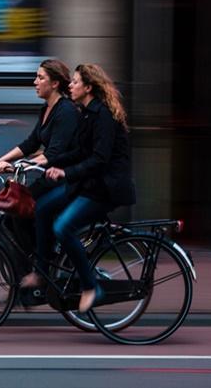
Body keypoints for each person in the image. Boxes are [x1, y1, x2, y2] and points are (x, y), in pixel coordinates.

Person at [21, 63, 136, 313]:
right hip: (89, 183)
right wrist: (50, 162)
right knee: (41, 208)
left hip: (106, 188)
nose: (69, 85)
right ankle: (41, 272)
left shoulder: (103, 115)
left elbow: (99, 159)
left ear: (88, 87)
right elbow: (79, 151)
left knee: (63, 227)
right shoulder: (86, 112)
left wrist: (65, 172)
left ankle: (91, 286)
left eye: (74, 82)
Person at [0, 59, 79, 279]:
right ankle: (31, 273)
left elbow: (54, 154)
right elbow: (31, 143)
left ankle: (43, 266)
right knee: (12, 217)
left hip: (65, 179)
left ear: (54, 83)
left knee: (22, 211)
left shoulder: (66, 111)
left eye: (40, 78)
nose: (35, 82)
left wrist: (17, 166)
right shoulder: (47, 109)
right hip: (48, 177)